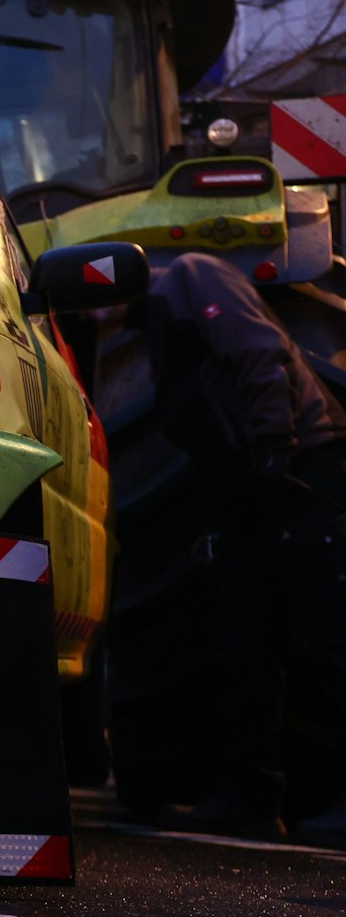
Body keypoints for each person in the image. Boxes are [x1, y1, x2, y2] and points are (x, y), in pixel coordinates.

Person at [142, 252, 346, 843]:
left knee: (330, 630)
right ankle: (249, 796)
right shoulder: (153, 328)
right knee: (244, 637)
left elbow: (261, 352)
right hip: (253, 486)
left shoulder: (191, 277)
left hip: (302, 465)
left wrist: (275, 447)